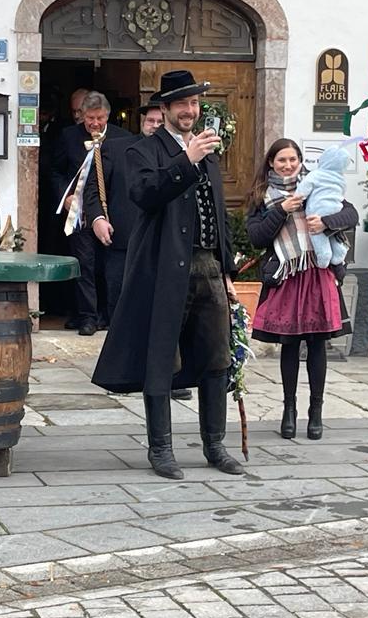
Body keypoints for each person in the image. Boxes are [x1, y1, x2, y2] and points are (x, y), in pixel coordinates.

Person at [92, 70, 243, 480]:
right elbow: (145, 194)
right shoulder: (141, 150)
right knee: (160, 358)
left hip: (208, 267)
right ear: (166, 108)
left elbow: (219, 214)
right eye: (182, 104)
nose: (190, 111)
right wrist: (185, 160)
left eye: (194, 103)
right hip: (163, 269)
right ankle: (161, 449)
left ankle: (215, 445)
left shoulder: (207, 152)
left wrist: (227, 269)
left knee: (216, 357)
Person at [245, 139, 357, 441]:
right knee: (290, 344)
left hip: (317, 273)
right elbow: (256, 237)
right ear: (271, 163)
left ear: (300, 161)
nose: (288, 165)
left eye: (293, 159)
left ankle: (316, 412)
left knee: (318, 344)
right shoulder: (262, 195)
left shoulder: (318, 182)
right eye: (281, 160)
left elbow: (351, 215)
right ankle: (289, 410)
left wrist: (326, 223)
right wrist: (281, 210)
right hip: (287, 274)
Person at [85, 98, 192, 401]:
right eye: (150, 121)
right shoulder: (120, 148)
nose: (155, 126)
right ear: (142, 122)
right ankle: (125, 371)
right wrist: (97, 218)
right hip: (123, 241)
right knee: (124, 309)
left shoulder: (182, 154)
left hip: (166, 247)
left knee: (167, 313)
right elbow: (94, 188)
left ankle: (170, 374)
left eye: (159, 122)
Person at [52, 91, 131, 335]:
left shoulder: (124, 138)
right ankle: (87, 316)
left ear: (108, 115)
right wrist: (64, 196)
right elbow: (55, 171)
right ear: (82, 115)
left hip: (111, 213)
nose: (95, 123)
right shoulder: (68, 136)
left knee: (109, 267)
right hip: (80, 213)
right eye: (90, 118)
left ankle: (108, 314)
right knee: (84, 264)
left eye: (100, 118)